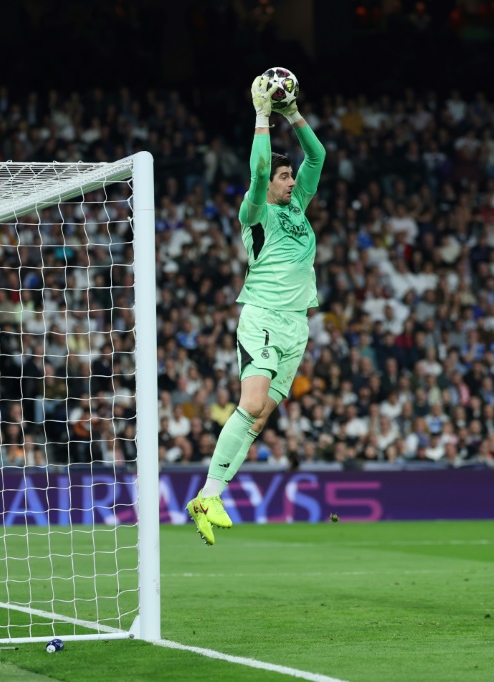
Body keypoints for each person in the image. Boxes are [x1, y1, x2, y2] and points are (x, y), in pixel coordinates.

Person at [186, 72, 325, 544]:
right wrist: (264, 117)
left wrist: (294, 115)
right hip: (263, 316)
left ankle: (211, 494)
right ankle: (206, 494)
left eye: (290, 176)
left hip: (296, 326)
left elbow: (318, 155)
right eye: (285, 176)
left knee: (260, 414)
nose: (290, 181)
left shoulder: (299, 207)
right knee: (248, 404)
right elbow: (260, 172)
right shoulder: (255, 210)